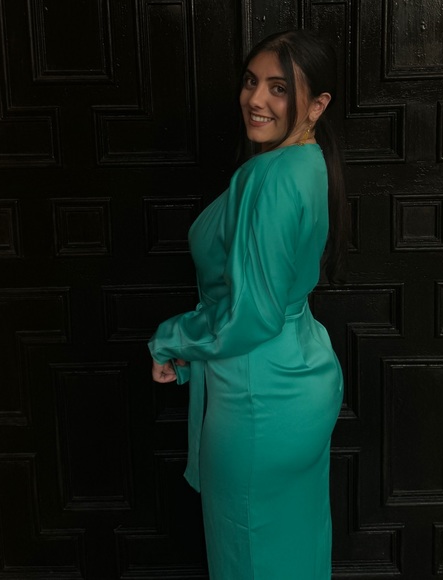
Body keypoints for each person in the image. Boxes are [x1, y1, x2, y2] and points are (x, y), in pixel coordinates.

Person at [148, 29, 348, 580]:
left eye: (279, 88)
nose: (255, 99)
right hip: (297, 376)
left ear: (317, 105)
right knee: (295, 549)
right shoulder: (307, 163)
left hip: (259, 398)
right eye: (251, 81)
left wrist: (171, 338)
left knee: (250, 557)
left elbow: (252, 316)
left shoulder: (271, 179)